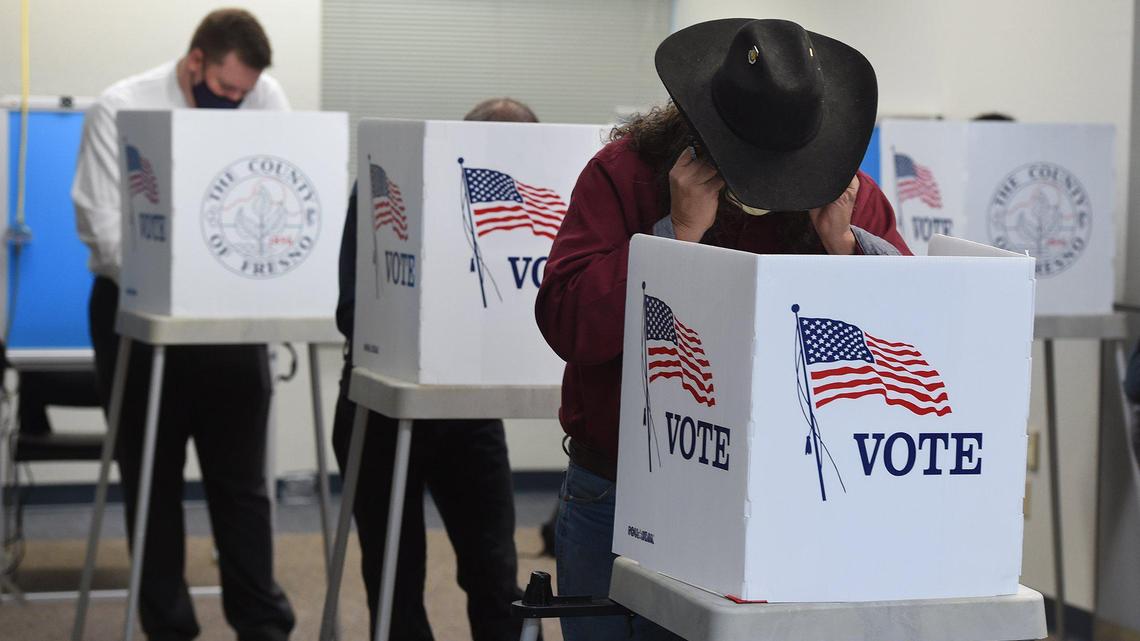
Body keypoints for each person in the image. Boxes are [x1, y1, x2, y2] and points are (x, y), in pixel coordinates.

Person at [536, 18, 911, 641]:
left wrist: (845, 249)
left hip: (786, 504)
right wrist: (675, 237)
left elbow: (905, 334)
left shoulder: (842, 194)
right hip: (628, 489)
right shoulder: (624, 174)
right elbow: (568, 323)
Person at [72, 9, 293, 641]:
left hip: (231, 320)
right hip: (137, 318)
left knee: (242, 485)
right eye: (225, 90)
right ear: (196, 60)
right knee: (151, 481)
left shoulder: (263, 96)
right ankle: (169, 629)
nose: (235, 102)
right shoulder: (122, 105)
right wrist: (191, 275)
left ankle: (262, 625)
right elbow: (104, 228)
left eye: (243, 94)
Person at [332, 97, 538, 641]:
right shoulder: (386, 187)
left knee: (495, 573)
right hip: (379, 410)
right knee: (394, 577)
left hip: (467, 413)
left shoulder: (516, 212)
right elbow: (352, 311)